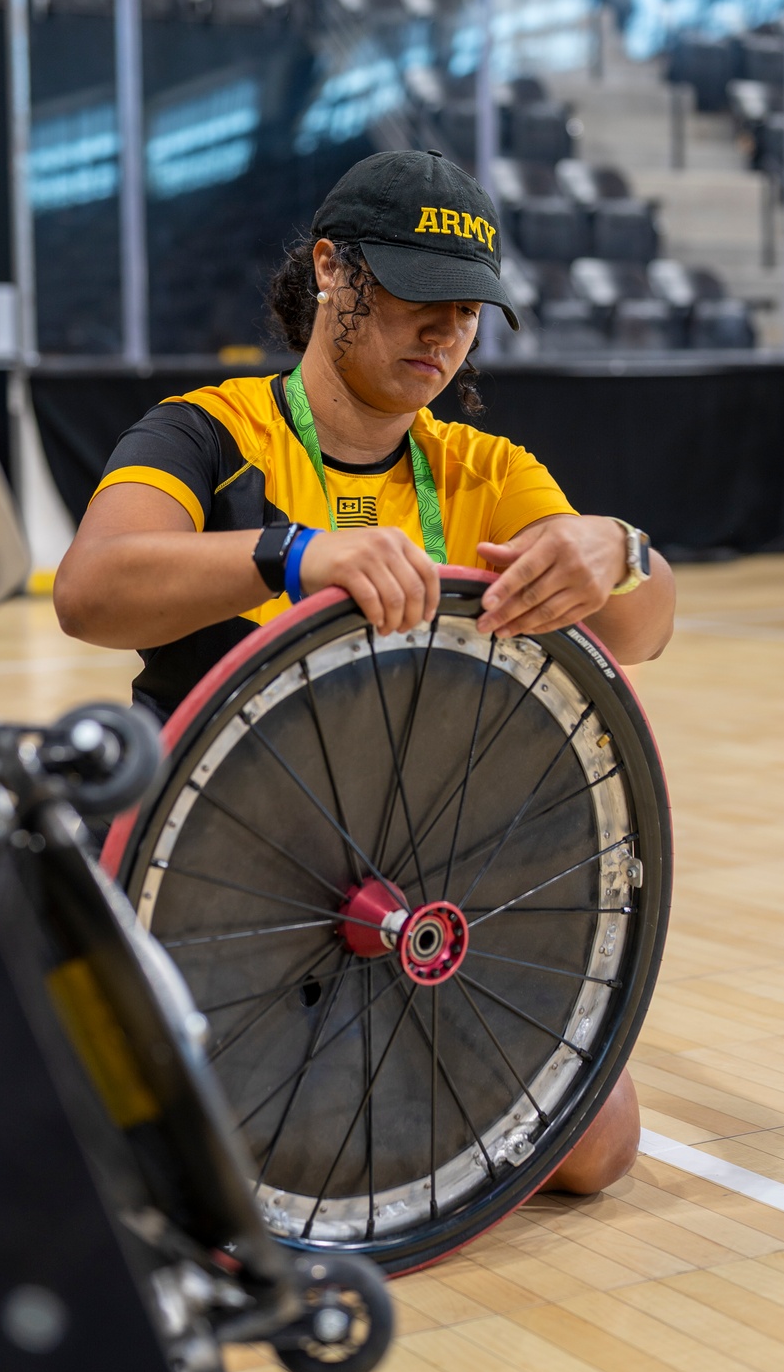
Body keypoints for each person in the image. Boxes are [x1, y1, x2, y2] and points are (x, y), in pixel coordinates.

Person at [55, 149, 675, 1197]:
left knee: (598, 1146)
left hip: (416, 877)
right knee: (138, 1164)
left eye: (469, 310)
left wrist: (616, 545)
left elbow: (644, 627)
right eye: (420, 297)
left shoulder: (481, 470)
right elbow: (90, 589)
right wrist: (287, 553)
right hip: (216, 861)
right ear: (334, 270)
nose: (445, 332)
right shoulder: (208, 433)